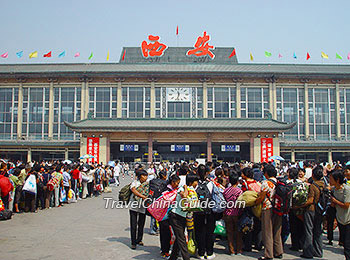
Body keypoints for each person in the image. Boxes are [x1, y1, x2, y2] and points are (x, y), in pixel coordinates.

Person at [255, 164, 283, 260]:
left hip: (268, 208)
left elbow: (261, 197)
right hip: (278, 208)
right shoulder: (279, 182)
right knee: (277, 231)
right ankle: (278, 251)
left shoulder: (265, 183)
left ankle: (268, 254)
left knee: (267, 231)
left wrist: (255, 202)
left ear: (266, 173)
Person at [168, 174, 199, 260]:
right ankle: (186, 258)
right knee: (181, 239)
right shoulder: (182, 189)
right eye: (196, 181)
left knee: (179, 238)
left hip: (182, 216)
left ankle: (173, 258)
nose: (197, 183)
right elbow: (184, 196)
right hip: (175, 216)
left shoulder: (192, 190)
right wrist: (185, 187)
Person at [298, 165, 325, 259]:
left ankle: (308, 252)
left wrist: (300, 205)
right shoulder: (324, 185)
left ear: (313, 176)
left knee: (309, 231)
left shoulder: (313, 186)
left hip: (311, 210)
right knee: (318, 231)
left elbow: (310, 200)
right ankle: (318, 251)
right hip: (320, 210)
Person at [194, 164, 216, 260]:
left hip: (198, 210)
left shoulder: (195, 184)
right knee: (210, 231)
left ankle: (201, 252)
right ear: (207, 173)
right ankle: (210, 252)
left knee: (199, 231)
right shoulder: (211, 184)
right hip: (209, 210)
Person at [330, 170, 350, 260]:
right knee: (344, 243)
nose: (330, 180)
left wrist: (335, 201)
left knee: (347, 244)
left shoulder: (347, 189)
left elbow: (346, 205)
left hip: (348, 219)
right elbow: (333, 206)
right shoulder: (334, 190)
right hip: (340, 219)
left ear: (337, 180)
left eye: (331, 179)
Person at [159, 174, 180, 258]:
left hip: (171, 214)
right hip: (164, 214)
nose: (178, 185)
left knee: (171, 233)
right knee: (165, 233)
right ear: (172, 182)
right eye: (177, 183)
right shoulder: (166, 189)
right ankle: (164, 250)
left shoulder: (175, 189)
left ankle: (170, 250)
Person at [223, 170, 243, 256]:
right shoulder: (239, 191)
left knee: (229, 233)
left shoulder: (226, 191)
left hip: (227, 213)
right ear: (237, 181)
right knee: (238, 233)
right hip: (237, 213)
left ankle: (231, 250)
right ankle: (239, 250)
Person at [129, 169, 149, 250]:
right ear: (140, 176)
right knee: (133, 225)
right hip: (134, 205)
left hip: (142, 206)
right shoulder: (135, 183)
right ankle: (133, 242)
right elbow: (133, 190)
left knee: (141, 224)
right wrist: (143, 196)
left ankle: (139, 239)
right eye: (144, 176)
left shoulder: (147, 184)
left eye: (146, 175)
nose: (146, 177)